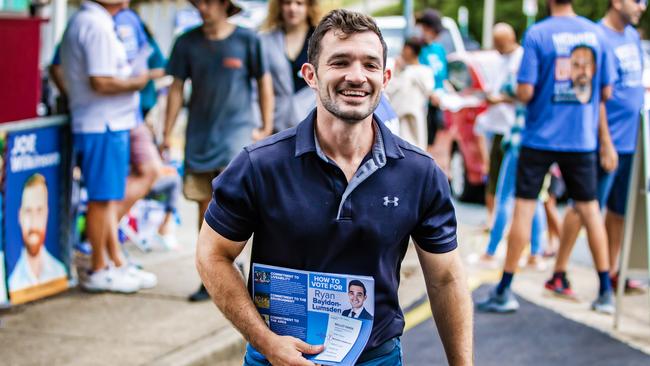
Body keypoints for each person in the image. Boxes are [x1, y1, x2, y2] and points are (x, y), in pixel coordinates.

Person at [196, 10, 472, 365]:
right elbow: (211, 255)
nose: (356, 76)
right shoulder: (258, 165)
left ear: (386, 77)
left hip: (376, 358)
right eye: (340, 62)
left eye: (370, 65)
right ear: (311, 74)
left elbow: (447, 279)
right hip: (276, 359)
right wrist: (265, 342)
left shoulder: (420, 174)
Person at [477, 0, 617, 314]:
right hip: (580, 137)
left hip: (539, 136)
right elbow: (606, 92)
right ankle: (606, 291)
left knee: (524, 209)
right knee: (590, 210)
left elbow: (525, 91)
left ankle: (505, 289)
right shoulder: (596, 34)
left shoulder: (538, 33)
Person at [162, 0, 274, 302]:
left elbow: (264, 82)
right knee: (205, 207)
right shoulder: (186, 42)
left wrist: (266, 125)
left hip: (235, 135)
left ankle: (234, 266)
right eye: (198, 1)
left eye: (209, 1)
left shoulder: (247, 40)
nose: (202, 6)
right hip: (199, 136)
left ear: (225, 5)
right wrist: (166, 132)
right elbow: (175, 88)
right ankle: (212, 274)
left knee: (230, 200)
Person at [548, 0, 647, 298]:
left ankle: (614, 272)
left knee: (618, 211)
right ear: (616, 2)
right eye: (637, 1)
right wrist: (606, 142)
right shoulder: (597, 37)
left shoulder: (632, 36)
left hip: (632, 141)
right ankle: (559, 272)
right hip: (603, 142)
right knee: (583, 207)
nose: (642, 7)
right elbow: (596, 95)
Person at [60, 0, 154, 293]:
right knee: (102, 199)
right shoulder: (95, 23)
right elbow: (101, 81)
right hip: (102, 123)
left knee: (108, 197)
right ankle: (99, 267)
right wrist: (138, 81)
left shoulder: (95, 21)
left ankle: (111, 262)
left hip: (107, 122)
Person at [477, 24, 547, 270]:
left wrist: (500, 95)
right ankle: (536, 253)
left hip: (518, 139)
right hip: (536, 142)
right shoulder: (547, 73)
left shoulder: (525, 67)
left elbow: (516, 90)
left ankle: (492, 250)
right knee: (533, 198)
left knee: (505, 197)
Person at [474, 23, 524, 228]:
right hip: (496, 128)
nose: (496, 48)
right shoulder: (498, 59)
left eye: (499, 44)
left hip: (514, 130)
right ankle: (493, 222)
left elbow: (524, 95)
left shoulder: (522, 58)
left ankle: (507, 227)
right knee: (494, 180)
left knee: (511, 186)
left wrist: (501, 99)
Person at [260, 0, 321, 132]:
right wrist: (263, 126)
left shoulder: (322, 39)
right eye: (287, 3)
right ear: (279, 6)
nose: (292, 8)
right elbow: (257, 87)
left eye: (299, 3)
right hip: (276, 125)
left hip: (314, 123)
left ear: (309, 7)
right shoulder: (265, 41)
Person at [9, 174, 67, 291]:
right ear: (20, 216)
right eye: (28, 211)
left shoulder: (59, 271)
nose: (33, 221)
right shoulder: (11, 281)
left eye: (39, 211)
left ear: (46, 213)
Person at [384, 37, 433, 150]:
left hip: (415, 119)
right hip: (398, 120)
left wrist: (404, 70)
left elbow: (428, 89)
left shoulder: (424, 72)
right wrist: (398, 70)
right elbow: (389, 89)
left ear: (409, 50)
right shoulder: (396, 69)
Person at [416, 9, 447, 150]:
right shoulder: (417, 48)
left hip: (437, 103)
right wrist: (430, 94)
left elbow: (443, 77)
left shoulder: (439, 49)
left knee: (432, 142)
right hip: (422, 104)